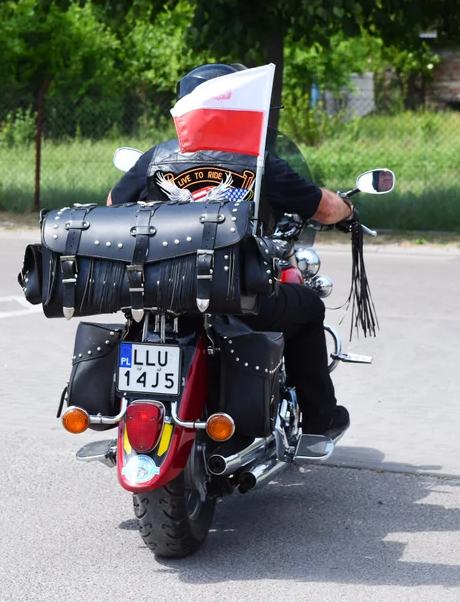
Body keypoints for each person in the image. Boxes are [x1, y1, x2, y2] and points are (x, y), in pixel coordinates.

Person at [107, 63, 354, 435]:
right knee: (308, 306)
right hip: (234, 295)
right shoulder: (257, 162)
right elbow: (326, 208)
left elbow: (113, 207)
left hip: (161, 294)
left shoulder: (155, 157)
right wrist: (349, 209)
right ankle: (319, 419)